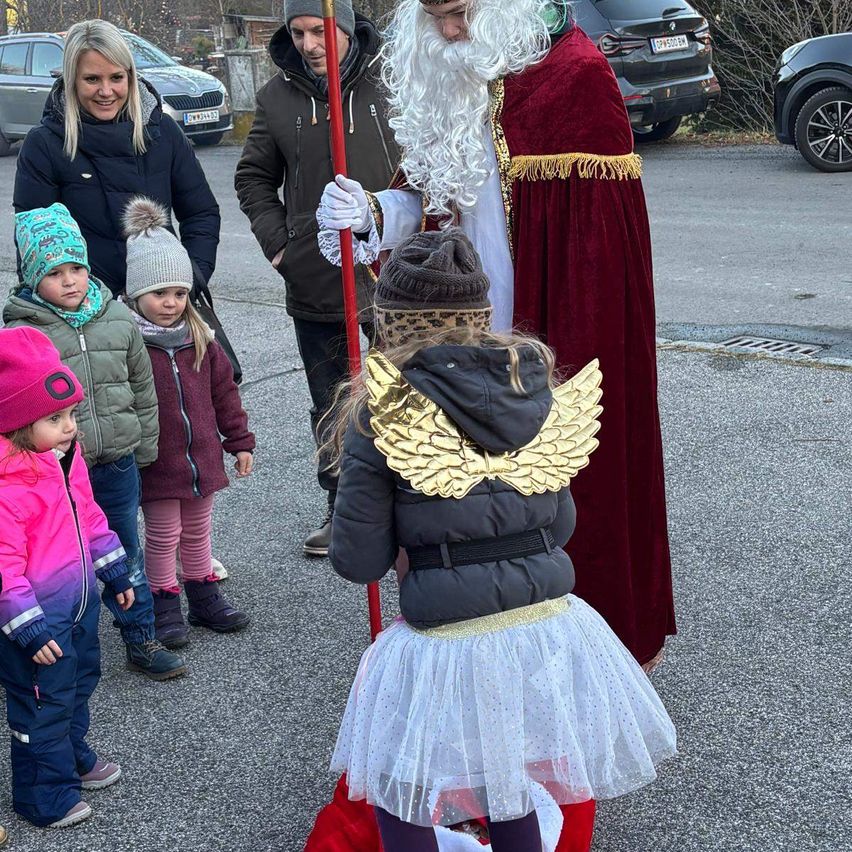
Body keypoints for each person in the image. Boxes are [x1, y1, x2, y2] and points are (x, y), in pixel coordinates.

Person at [317, 0, 674, 669]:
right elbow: (438, 202)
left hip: (546, 343)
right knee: (459, 512)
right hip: (457, 348)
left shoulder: (574, 75)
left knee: (557, 499)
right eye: (434, 18)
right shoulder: (454, 80)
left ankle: (585, 653)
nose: (448, 32)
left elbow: (596, 264)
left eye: (457, 13)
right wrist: (374, 212)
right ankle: (479, 653)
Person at [324, 229, 676, 851]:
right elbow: (560, 525)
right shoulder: (534, 391)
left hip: (446, 632)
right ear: (484, 317)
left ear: (392, 324)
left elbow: (358, 559)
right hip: (546, 624)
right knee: (507, 781)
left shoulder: (382, 412)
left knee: (400, 790)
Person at [235, 0, 399, 557]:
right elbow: (254, 176)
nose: (309, 43)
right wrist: (280, 245)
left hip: (395, 271)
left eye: (321, 30)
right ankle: (344, 510)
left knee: (407, 388)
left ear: (347, 29)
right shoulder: (277, 99)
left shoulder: (391, 85)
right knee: (332, 401)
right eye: (299, 32)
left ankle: (415, 499)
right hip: (316, 276)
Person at [4, 203, 187, 681]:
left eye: (77, 268)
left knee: (124, 547)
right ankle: (48, 636)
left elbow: (142, 387)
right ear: (30, 276)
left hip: (118, 460)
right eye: (55, 272)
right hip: (55, 470)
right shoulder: (23, 333)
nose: (69, 281)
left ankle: (140, 635)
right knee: (51, 558)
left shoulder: (118, 318)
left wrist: (145, 445)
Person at [0, 326, 133, 828]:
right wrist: (27, 629)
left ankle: (70, 757)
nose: (71, 426)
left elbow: (90, 517)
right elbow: (2, 569)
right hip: (35, 623)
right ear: (15, 422)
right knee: (40, 706)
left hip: (76, 608)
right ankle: (41, 795)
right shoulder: (8, 488)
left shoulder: (63, 462)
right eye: (55, 418)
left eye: (73, 414)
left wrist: (115, 570)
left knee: (78, 685)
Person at [122, 197, 254, 647]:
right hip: (157, 463)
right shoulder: (131, 344)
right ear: (136, 294)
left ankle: (202, 594)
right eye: (160, 294)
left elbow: (224, 395)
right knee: (162, 536)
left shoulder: (202, 339)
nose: (172, 303)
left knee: (198, 531)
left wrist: (239, 441)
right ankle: (163, 601)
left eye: (179, 293)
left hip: (202, 460)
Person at [13, 19, 220, 298]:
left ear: (130, 76)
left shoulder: (164, 133)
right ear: (72, 80)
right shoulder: (44, 145)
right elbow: (34, 243)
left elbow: (200, 214)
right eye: (92, 79)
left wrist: (188, 282)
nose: (106, 91)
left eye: (116, 77)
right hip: (87, 315)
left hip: (161, 308)